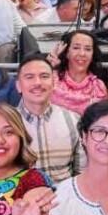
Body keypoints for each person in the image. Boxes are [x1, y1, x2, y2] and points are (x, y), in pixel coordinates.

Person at [16, 53, 84, 183]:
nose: (37, 83)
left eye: (44, 76)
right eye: (29, 77)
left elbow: (82, 173)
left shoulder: (73, 121)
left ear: (54, 83)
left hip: (64, 199)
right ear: (18, 85)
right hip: (21, 200)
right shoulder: (7, 123)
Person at [51, 30, 108, 115]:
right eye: (76, 48)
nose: (82, 53)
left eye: (88, 49)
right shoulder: (51, 80)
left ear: (93, 55)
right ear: (66, 52)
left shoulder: (99, 88)